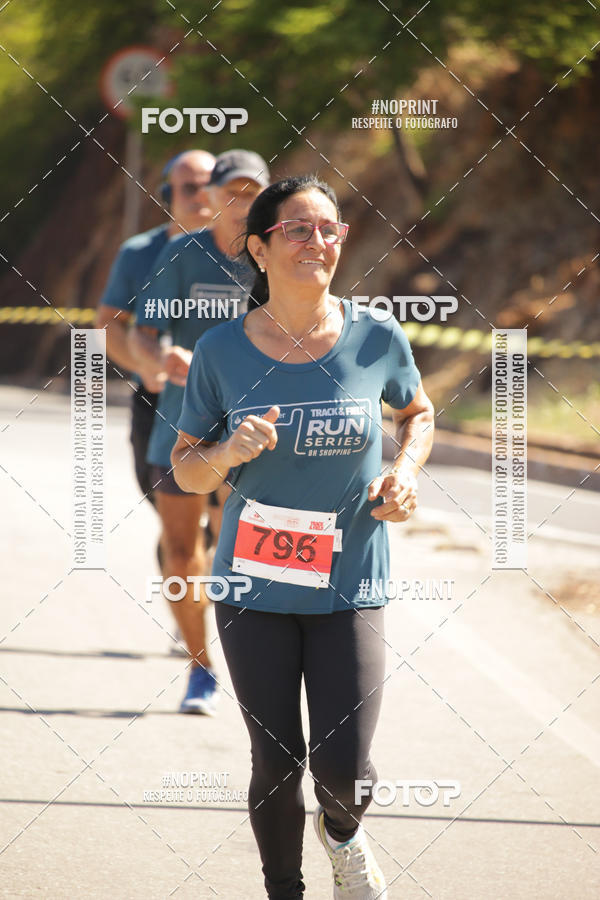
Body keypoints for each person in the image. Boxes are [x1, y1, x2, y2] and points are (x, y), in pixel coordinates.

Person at [170, 175, 435, 899]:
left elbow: (418, 412)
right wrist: (226, 454)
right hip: (254, 585)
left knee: (343, 769)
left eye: (329, 229)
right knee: (278, 761)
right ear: (258, 248)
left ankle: (344, 834)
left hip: (351, 581)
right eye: (297, 228)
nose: (317, 241)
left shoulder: (376, 336)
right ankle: (284, 889)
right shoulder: (223, 351)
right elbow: (187, 471)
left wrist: (404, 472)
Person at [129, 149, 270, 715]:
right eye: (230, 192)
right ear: (208, 197)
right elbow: (144, 333)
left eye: (251, 193)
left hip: (253, 428)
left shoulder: (274, 258)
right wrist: (164, 359)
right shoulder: (180, 254)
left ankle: (258, 663)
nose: (241, 203)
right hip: (180, 422)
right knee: (182, 547)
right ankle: (198, 667)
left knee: (239, 550)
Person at [96, 149, 215, 510]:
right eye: (189, 188)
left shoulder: (245, 252)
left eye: (209, 188)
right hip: (159, 399)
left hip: (226, 401)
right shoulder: (139, 253)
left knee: (226, 520)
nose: (200, 198)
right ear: (168, 196)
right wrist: (147, 365)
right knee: (170, 516)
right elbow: (109, 324)